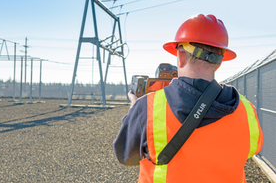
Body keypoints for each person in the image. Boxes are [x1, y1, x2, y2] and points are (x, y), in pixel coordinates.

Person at [113, 14, 263, 183]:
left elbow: (126, 156)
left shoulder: (148, 107)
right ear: (219, 62)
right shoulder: (246, 110)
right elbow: (252, 149)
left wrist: (134, 110)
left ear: (181, 56)